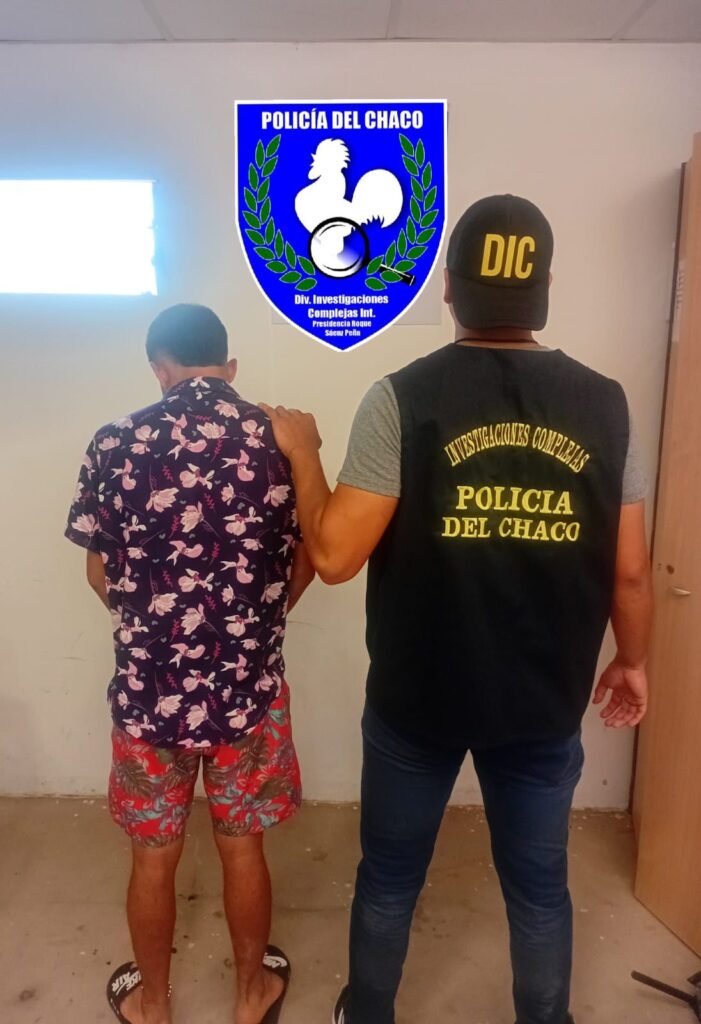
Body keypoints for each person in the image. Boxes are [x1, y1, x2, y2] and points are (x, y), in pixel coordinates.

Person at [261, 195, 653, 1024]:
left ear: (446, 287)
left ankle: (368, 1015)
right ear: (545, 286)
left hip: (417, 701)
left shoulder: (402, 397)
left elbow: (332, 557)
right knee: (539, 890)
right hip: (541, 703)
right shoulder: (606, 405)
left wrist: (304, 453)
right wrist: (632, 660)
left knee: (388, 879)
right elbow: (627, 572)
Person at [65, 303, 314, 1024]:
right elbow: (309, 558)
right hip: (249, 693)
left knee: (152, 856)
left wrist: (152, 633)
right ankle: (250, 996)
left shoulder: (114, 441)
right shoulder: (280, 443)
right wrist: (256, 627)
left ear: (159, 368)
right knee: (242, 848)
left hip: (148, 699)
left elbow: (97, 572)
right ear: (230, 367)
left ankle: (154, 1004)